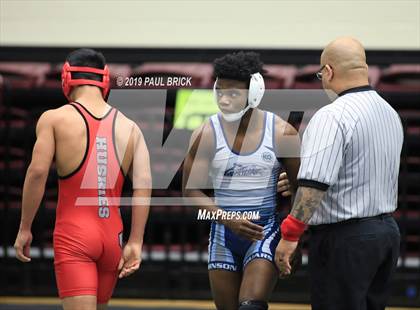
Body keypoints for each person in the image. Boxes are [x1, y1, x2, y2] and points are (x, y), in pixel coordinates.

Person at [13, 48, 152, 310]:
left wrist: (24, 227)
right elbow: (144, 186)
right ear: (105, 80)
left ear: (66, 79)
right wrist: (135, 241)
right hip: (113, 236)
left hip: (75, 234)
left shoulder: (55, 119)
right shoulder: (131, 127)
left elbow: (38, 172)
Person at [275, 37, 404, 310]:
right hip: (385, 235)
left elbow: (314, 185)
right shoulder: (389, 112)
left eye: (321, 74)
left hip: (345, 239)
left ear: (329, 71)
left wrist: (290, 235)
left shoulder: (331, 115)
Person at [183, 51, 300, 310]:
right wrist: (227, 219)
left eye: (233, 93)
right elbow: (190, 191)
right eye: (220, 92)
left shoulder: (281, 132)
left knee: (250, 306)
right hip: (224, 232)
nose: (224, 100)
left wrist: (293, 239)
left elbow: (302, 191)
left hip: (264, 231)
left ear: (254, 93)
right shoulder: (206, 133)